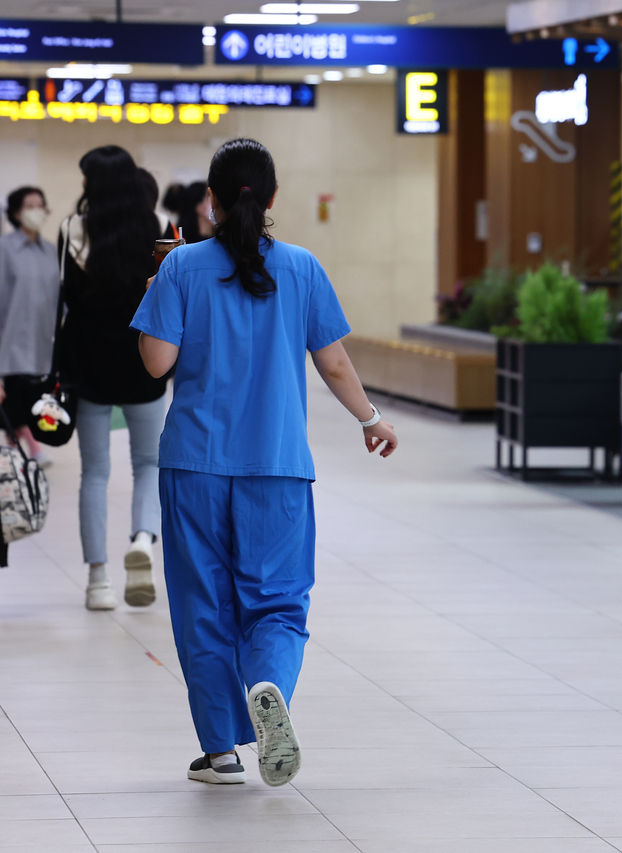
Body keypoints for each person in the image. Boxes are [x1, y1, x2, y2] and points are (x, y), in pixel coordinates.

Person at [132, 138, 398, 787]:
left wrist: (154, 299)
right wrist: (370, 419)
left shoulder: (182, 266)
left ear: (210, 202)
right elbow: (332, 360)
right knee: (277, 602)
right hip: (277, 466)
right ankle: (271, 683)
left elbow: (156, 363)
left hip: (195, 464)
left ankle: (221, 749)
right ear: (273, 198)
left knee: (203, 605)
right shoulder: (302, 267)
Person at [61, 146, 168, 612]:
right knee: (148, 464)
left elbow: (63, 301)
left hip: (88, 366)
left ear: (96, 184)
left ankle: (98, 580)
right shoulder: (161, 230)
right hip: (144, 360)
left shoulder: (72, 230)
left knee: (95, 473)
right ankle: (143, 539)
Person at [0, 186, 59, 464]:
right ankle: (28, 453)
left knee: (33, 404)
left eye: (40, 204)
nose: (37, 210)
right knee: (15, 405)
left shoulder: (50, 251)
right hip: (11, 344)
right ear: (16, 212)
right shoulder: (5, 249)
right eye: (30, 205)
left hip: (42, 343)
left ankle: (19, 456)